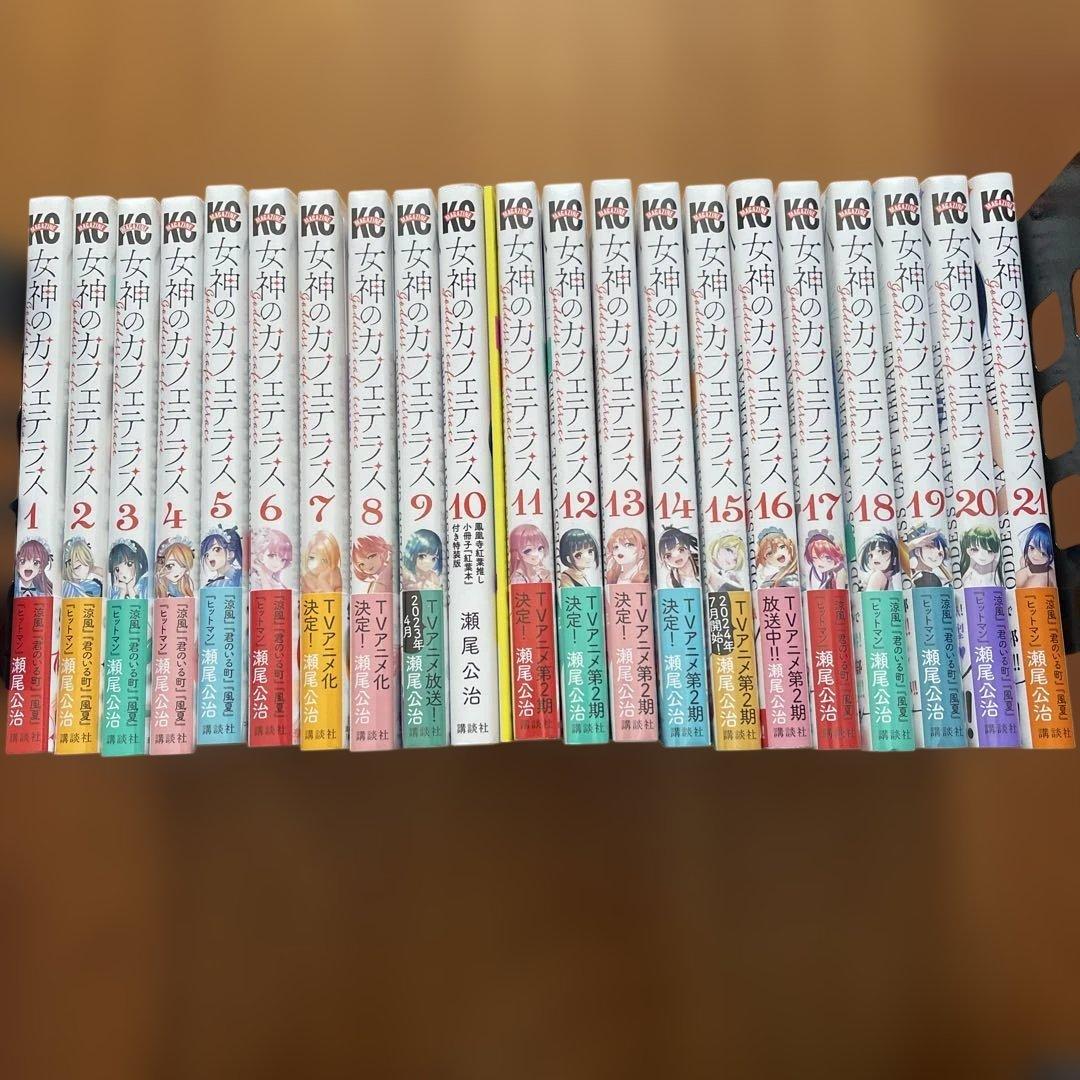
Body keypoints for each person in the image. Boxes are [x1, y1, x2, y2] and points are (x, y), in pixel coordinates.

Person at [903, 523, 951, 588]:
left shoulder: (943, 581)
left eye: (940, 554)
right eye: (930, 547)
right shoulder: (906, 576)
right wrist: (913, 544)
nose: (935, 555)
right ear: (917, 551)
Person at [1016, 522, 1056, 588]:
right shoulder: (1025, 569)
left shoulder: (1050, 573)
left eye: (1043, 553)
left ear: (1050, 557)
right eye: (1032, 548)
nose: (1035, 554)